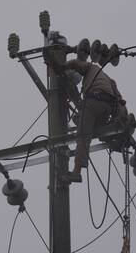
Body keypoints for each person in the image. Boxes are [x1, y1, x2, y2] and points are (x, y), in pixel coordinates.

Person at [47, 43, 127, 183]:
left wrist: (62, 66)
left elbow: (77, 64)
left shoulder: (91, 67)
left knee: (83, 135)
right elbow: (120, 101)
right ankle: (112, 141)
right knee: (96, 129)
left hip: (93, 101)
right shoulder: (108, 79)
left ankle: (77, 171)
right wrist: (121, 119)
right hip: (107, 107)